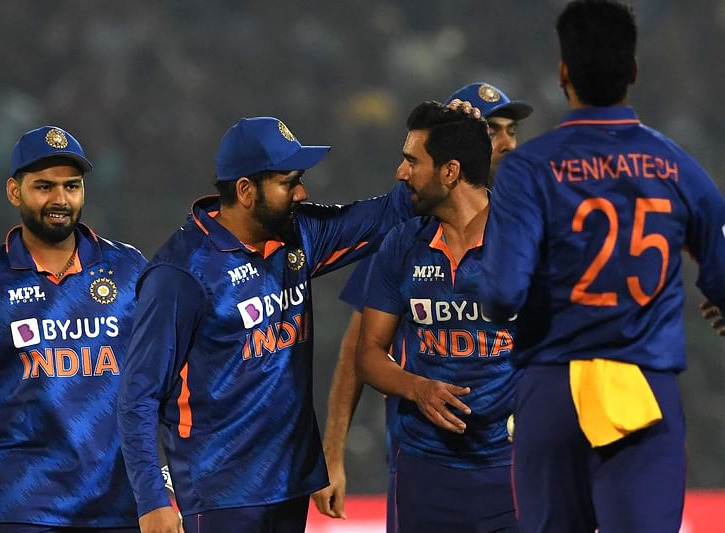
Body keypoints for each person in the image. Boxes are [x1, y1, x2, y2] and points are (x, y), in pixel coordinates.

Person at [116, 108, 484, 533]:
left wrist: (454, 133)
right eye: (288, 183)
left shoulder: (299, 235)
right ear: (246, 190)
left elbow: (391, 213)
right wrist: (151, 501)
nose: (303, 192)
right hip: (221, 495)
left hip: (290, 485)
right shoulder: (180, 275)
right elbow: (137, 396)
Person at [480, 1, 725, 531]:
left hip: (550, 392)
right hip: (640, 391)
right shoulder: (679, 166)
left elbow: (501, 293)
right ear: (633, 71)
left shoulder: (529, 168)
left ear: (563, 72)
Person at [313, 83, 532, 529]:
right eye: (494, 131)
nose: (507, 143)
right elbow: (364, 350)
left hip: (513, 469)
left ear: (450, 170)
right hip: (422, 469)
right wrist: (415, 390)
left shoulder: (531, 236)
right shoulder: (401, 240)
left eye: (510, 131)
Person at [0, 126, 146, 532]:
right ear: (14, 192)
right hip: (22, 509)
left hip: (120, 505)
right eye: (44, 186)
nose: (60, 200)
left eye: (72, 186)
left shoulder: (130, 270)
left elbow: (167, 380)